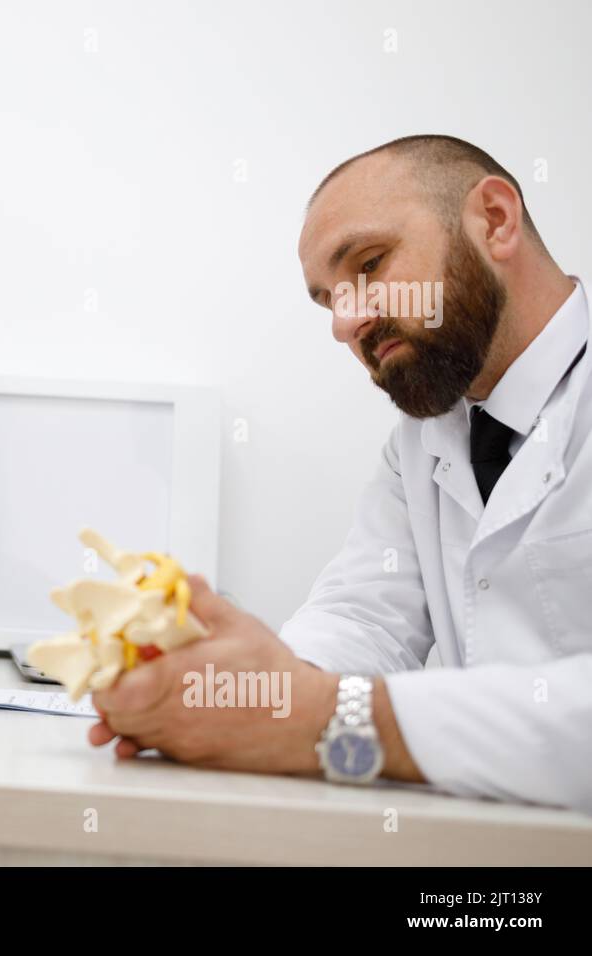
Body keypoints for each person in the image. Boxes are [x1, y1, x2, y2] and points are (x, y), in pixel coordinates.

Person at [89, 135, 591, 814]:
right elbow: (365, 618)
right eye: (328, 300)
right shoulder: (423, 443)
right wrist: (230, 690)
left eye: (371, 263)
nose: (345, 324)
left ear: (496, 220)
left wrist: (326, 718)